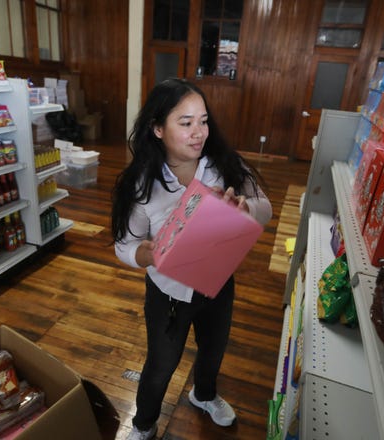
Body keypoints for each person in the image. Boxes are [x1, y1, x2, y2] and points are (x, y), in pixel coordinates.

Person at [112, 78, 272, 440]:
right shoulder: (141, 184)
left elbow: (266, 208)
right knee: (160, 365)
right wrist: (145, 254)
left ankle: (203, 395)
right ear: (157, 128)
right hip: (168, 293)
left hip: (217, 283)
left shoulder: (224, 165)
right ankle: (142, 425)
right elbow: (124, 245)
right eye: (185, 123)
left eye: (203, 120)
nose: (198, 132)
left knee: (213, 350)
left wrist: (245, 208)